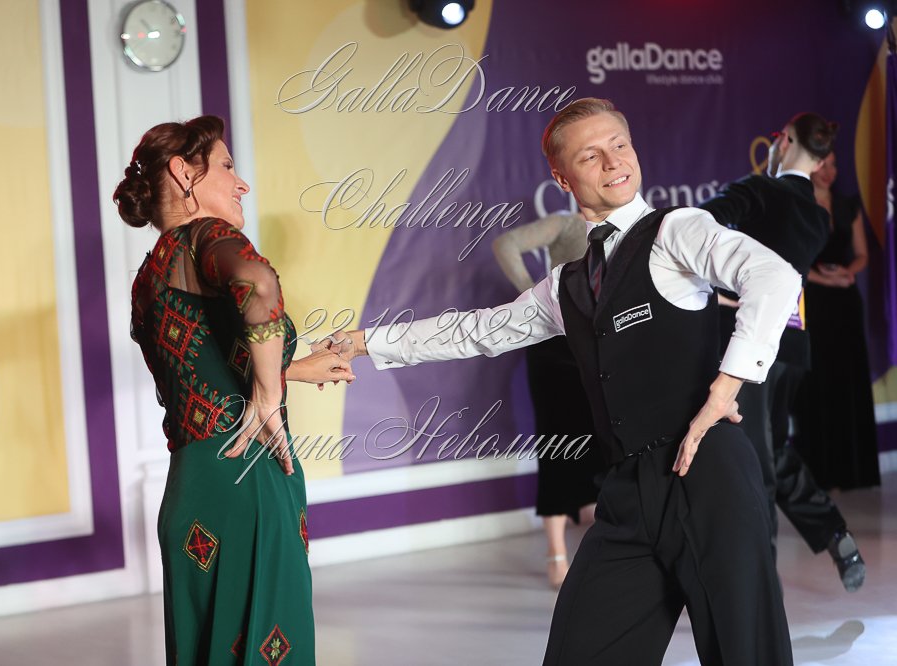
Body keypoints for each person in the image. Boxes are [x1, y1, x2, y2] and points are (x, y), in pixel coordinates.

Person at [320, 98, 798, 665]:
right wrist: (364, 342)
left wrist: (725, 389)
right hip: (627, 489)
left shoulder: (677, 230)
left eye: (619, 145)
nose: (613, 162)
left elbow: (774, 276)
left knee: (747, 653)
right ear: (562, 178)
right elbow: (477, 331)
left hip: (709, 477)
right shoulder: (564, 285)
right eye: (590, 155)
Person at [113, 115, 353, 665]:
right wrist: (269, 398)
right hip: (249, 477)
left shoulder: (150, 276)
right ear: (184, 173)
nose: (241, 183)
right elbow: (258, 283)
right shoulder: (207, 235)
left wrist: (293, 370)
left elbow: (200, 372)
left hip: (194, 488)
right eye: (226, 166)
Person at [700, 116, 866, 592]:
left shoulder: (759, 189)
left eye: (777, 139)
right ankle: (833, 531)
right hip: (791, 343)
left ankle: (760, 589)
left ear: (785, 141)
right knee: (769, 449)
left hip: (748, 343)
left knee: (753, 459)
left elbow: (695, 228)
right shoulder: (818, 215)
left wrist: (716, 289)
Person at [492, 213, 604, 587]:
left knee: (606, 442)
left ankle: (603, 543)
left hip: (602, 343)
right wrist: (535, 300)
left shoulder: (632, 227)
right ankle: (556, 552)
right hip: (556, 347)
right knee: (558, 443)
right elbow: (505, 244)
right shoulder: (569, 224)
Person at [793, 151, 881, 490]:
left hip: (845, 302)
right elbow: (794, 259)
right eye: (822, 164)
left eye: (833, 164)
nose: (829, 171)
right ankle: (822, 472)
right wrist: (824, 278)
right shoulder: (799, 205)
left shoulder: (847, 206)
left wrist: (847, 273)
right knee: (818, 379)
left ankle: (853, 471)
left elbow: (862, 254)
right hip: (813, 301)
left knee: (848, 378)